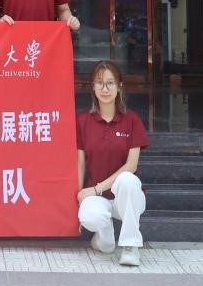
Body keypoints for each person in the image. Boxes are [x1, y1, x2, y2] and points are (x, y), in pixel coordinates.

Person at [76, 60, 149, 267]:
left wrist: (97, 188)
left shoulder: (132, 120)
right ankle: (104, 238)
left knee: (127, 179)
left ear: (119, 86)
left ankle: (130, 246)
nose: (105, 89)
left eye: (110, 83)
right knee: (92, 218)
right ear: (93, 87)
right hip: (97, 198)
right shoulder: (83, 121)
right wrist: (79, 196)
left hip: (126, 199)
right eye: (99, 83)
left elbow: (131, 166)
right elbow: (80, 165)